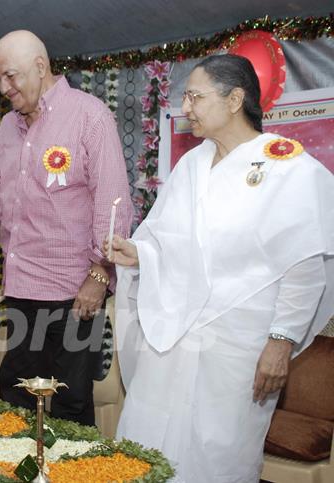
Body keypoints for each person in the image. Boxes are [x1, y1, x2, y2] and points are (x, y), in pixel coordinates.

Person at [106, 54, 334, 482]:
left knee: (218, 451)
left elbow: (304, 268)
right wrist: (138, 254)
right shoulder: (191, 164)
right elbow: (170, 239)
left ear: (234, 99)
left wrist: (280, 344)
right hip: (173, 336)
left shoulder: (287, 166)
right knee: (149, 434)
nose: (185, 107)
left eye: (194, 96)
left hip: (239, 346)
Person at [0, 30, 133, 425]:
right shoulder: (7, 128)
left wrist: (99, 274)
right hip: (22, 288)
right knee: (18, 393)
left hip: (75, 294)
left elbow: (113, 203)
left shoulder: (89, 115)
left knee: (69, 403)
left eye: (11, 76)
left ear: (40, 67)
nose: (4, 88)